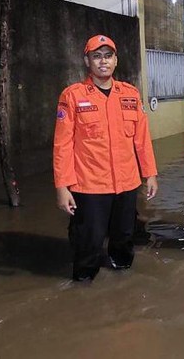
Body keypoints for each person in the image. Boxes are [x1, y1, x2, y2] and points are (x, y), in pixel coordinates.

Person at [53, 34, 158, 281]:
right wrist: (62, 187)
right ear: (87, 61)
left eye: (108, 56)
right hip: (90, 186)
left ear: (116, 60)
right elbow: (62, 145)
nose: (103, 62)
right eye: (96, 56)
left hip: (127, 183)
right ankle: (84, 284)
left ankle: (123, 280)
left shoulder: (130, 94)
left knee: (124, 237)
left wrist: (150, 174)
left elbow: (142, 139)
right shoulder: (73, 96)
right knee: (89, 241)